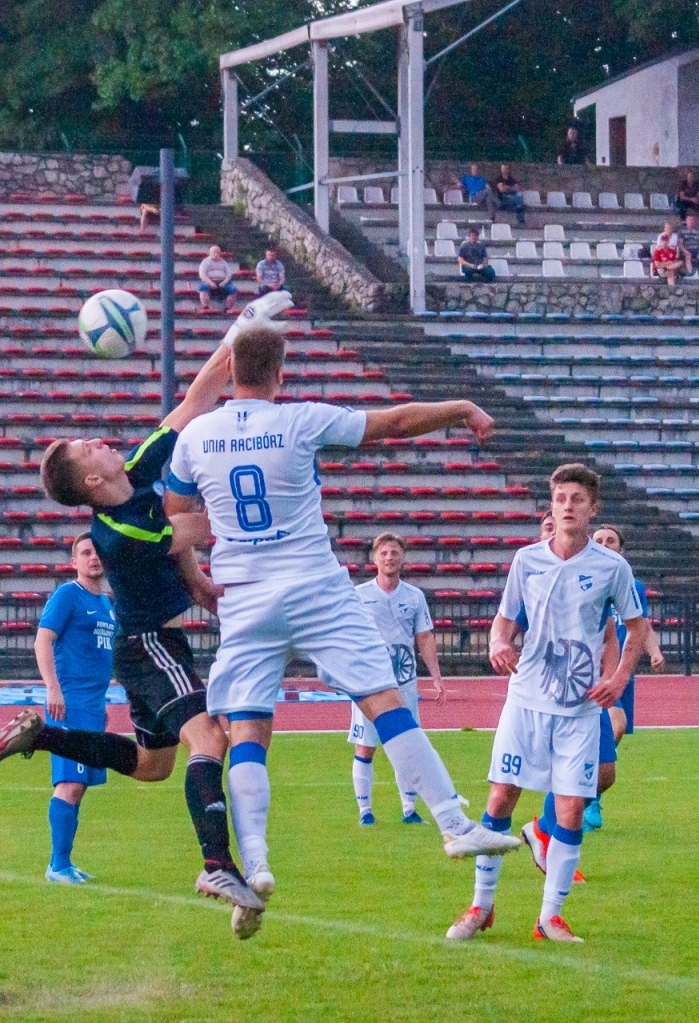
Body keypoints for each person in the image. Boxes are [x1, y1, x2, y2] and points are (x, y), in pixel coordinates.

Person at [164, 328, 523, 935]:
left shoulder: (195, 437)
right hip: (314, 585)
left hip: (244, 597)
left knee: (246, 727)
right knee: (383, 700)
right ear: (280, 373)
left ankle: (255, 865)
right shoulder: (301, 419)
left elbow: (175, 520)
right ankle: (454, 825)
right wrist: (460, 409)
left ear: (229, 371)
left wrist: (198, 582)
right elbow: (395, 424)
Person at [0, 299, 296, 935]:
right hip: (150, 646)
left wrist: (242, 328)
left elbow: (198, 398)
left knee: (153, 766)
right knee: (212, 739)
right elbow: (196, 527)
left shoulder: (139, 468)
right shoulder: (115, 532)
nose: (99, 440)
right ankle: (216, 863)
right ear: (90, 482)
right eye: (86, 447)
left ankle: (44, 737)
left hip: (149, 644)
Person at [447, 465, 646, 944]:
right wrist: (497, 643)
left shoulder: (611, 568)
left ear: (592, 507)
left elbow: (636, 628)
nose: (568, 505)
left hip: (579, 708)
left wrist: (618, 679)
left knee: (573, 809)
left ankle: (550, 917)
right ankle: (481, 906)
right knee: (500, 797)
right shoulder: (527, 561)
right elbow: (503, 621)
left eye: (577, 498)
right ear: (551, 507)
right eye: (560, 497)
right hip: (527, 698)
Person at [525, 521, 665, 858]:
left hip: (612, 676)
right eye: (599, 539)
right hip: (569, 683)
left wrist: (646, 656)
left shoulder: (626, 581)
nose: (604, 544)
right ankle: (552, 840)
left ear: (620, 548)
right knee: (514, 787)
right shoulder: (549, 575)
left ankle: (545, 827)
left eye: (610, 540)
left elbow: (633, 627)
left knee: (605, 774)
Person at [32, 535, 116, 884]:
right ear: (74, 562)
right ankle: (58, 866)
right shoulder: (68, 595)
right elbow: (42, 640)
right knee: (69, 782)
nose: (93, 558)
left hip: (93, 708)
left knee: (80, 785)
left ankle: (65, 862)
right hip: (70, 705)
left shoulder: (109, 604)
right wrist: (53, 688)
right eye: (85, 553)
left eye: (97, 552)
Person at [349, 533, 445, 826]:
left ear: (402, 557)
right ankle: (365, 811)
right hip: (369, 683)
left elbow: (424, 637)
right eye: (384, 553)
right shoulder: (359, 594)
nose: (389, 558)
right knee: (366, 746)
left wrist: (436, 677)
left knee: (407, 744)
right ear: (374, 558)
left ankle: (409, 809)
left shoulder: (414, 596)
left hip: (404, 682)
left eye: (394, 553)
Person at [196, 245, 238, 312]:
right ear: (210, 253)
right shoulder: (205, 262)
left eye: (217, 252)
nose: (216, 254)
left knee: (233, 289)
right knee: (203, 287)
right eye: (214, 252)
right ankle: (205, 307)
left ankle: (227, 308)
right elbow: (202, 274)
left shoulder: (224, 262)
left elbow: (229, 274)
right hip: (209, 281)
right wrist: (211, 283)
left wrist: (224, 282)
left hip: (222, 281)